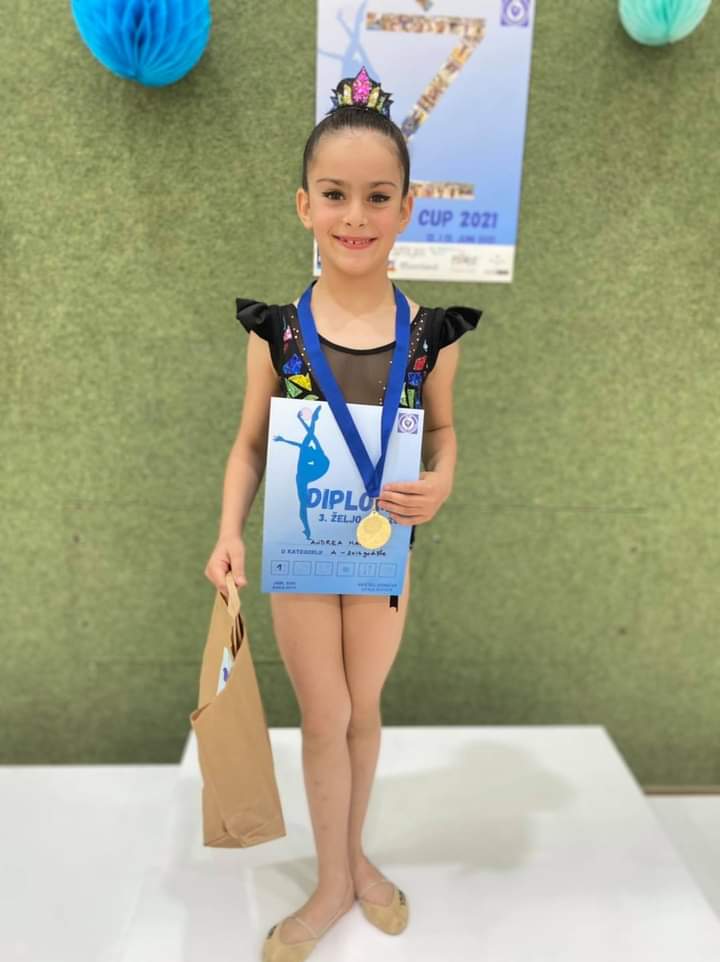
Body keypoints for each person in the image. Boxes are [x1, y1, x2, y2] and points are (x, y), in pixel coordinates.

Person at [204, 65, 483, 962]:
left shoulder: (430, 337)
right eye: (335, 194)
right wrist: (227, 534)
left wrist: (442, 480)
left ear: (407, 209)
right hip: (299, 558)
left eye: (376, 197)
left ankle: (352, 856)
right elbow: (250, 445)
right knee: (323, 717)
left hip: (381, 556)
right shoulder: (277, 333)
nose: (355, 216)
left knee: (365, 710)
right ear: (304, 206)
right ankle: (332, 883)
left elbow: (445, 434)